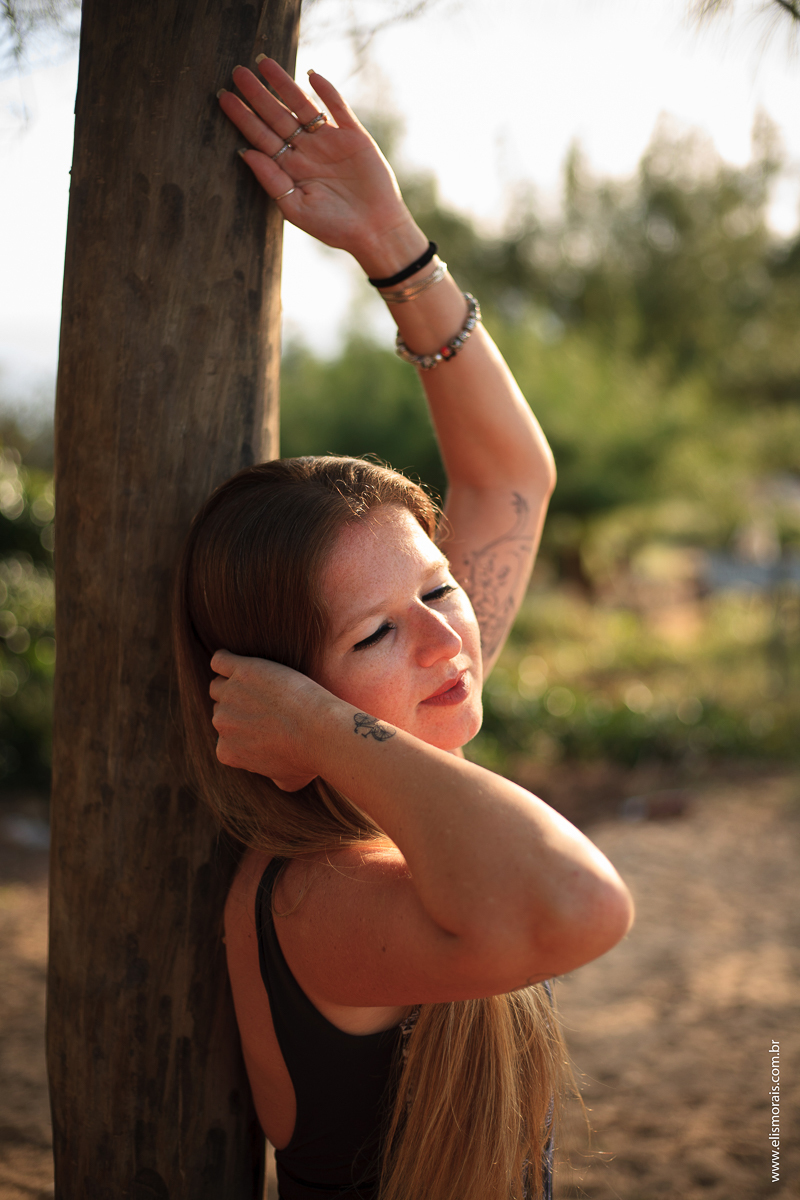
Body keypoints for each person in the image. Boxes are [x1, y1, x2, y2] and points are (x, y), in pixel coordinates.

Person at [173, 57, 634, 1200]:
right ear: (292, 693)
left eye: (435, 590)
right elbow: (581, 906)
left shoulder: (411, 748)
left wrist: (394, 245)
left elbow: (511, 476)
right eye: (373, 636)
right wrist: (330, 735)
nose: (447, 642)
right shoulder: (320, 897)